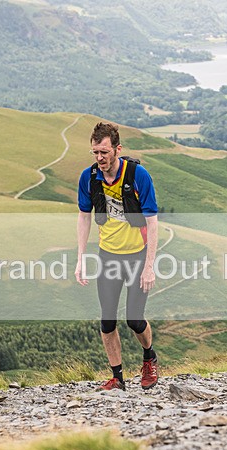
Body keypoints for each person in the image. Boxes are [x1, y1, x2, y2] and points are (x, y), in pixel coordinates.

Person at [74, 122, 159, 391]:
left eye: (105, 152)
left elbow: (153, 221)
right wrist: (80, 258)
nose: (100, 158)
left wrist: (149, 267)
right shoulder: (89, 178)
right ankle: (117, 377)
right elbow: (83, 216)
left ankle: (149, 358)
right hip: (108, 256)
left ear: (117, 149)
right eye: (95, 152)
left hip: (137, 255)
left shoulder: (137, 175)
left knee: (134, 319)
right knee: (107, 321)